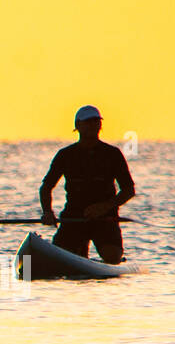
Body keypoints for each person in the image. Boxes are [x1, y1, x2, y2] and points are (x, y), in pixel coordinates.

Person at [39, 105, 135, 262]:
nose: (92, 126)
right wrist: (47, 212)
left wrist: (105, 206)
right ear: (78, 126)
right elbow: (46, 187)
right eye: (88, 122)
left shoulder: (112, 154)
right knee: (63, 257)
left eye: (96, 122)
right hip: (73, 218)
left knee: (112, 257)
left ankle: (107, 261)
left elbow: (128, 190)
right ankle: (78, 256)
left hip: (105, 219)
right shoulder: (65, 155)